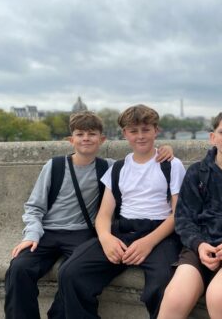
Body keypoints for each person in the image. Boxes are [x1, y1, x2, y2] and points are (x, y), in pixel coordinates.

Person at [4, 110, 173, 319]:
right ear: (70, 139)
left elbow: (140, 160)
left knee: (73, 274)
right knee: (19, 269)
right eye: (80, 134)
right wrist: (31, 235)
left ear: (102, 139)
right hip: (47, 232)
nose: (85, 139)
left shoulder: (109, 167)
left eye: (91, 134)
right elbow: (34, 207)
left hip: (81, 233)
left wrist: (165, 150)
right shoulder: (54, 166)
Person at [58, 104, 186, 319]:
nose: (140, 136)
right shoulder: (118, 168)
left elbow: (178, 213)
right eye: (133, 131)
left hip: (160, 233)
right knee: (71, 272)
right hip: (123, 230)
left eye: (146, 130)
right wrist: (106, 238)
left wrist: (149, 242)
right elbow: (104, 214)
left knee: (163, 286)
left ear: (156, 131)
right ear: (125, 133)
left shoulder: (172, 166)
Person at [158, 108, 222, 319]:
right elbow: (183, 219)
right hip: (200, 247)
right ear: (212, 137)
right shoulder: (197, 173)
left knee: (218, 297)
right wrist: (199, 244)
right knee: (174, 298)